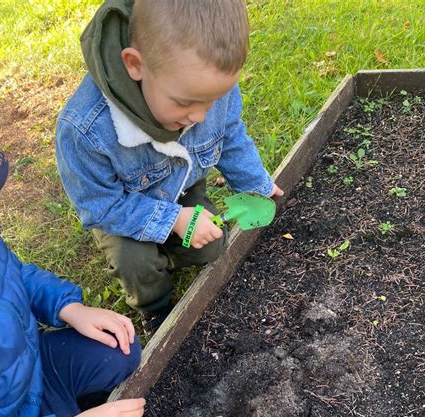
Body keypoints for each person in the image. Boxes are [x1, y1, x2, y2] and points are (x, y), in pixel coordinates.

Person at [56, 0, 283, 339]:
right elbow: (100, 207)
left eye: (212, 102)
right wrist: (173, 221)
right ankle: (156, 309)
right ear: (135, 65)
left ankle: (171, 252)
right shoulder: (84, 130)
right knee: (137, 262)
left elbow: (230, 134)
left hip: (181, 189)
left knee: (211, 246)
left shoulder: (201, 85)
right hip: (122, 212)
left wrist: (257, 184)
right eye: (185, 103)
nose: (200, 117)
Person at [0, 122, 145, 417]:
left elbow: (12, 274)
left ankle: (69, 412)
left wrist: (68, 308)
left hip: (31, 374)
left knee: (120, 348)